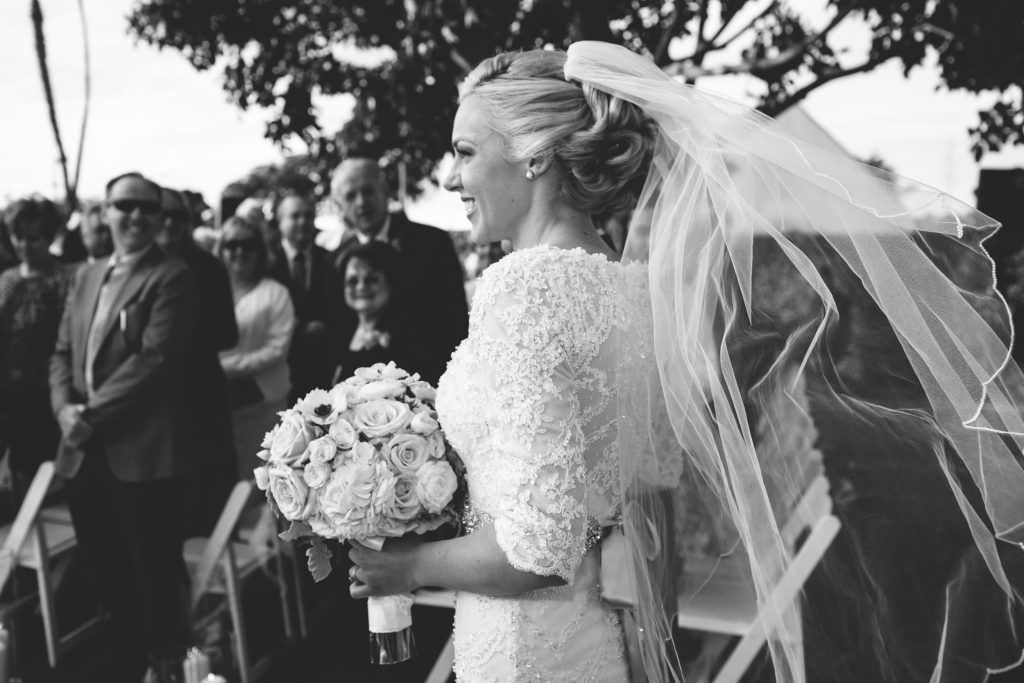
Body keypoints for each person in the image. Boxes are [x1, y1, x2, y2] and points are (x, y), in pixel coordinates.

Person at [347, 44, 1024, 683]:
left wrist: (406, 566)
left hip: (524, 647)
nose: (448, 175)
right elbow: (643, 488)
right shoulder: (631, 287)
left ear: (533, 158)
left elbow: (537, 547)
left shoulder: (520, 291)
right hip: (601, 637)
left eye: (465, 151)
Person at [50, 171, 197, 681]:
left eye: (146, 208)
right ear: (105, 211)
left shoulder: (172, 274)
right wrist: (64, 407)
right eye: (123, 205)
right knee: (103, 565)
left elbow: (152, 362)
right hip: (85, 448)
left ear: (158, 219)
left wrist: (87, 415)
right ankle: (123, 657)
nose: (135, 216)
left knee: (153, 570)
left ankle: (164, 664)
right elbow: (63, 351)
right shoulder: (85, 274)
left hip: (143, 454)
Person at [330, 158, 468, 385]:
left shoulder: (431, 243)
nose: (361, 202)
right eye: (350, 196)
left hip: (428, 383)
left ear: (384, 191)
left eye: (368, 191)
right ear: (339, 205)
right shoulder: (337, 259)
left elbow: (455, 322)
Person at [158, 186, 239, 535]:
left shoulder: (208, 267)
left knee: (210, 494)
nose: (168, 224)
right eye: (161, 215)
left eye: (177, 216)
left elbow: (228, 335)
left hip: (202, 395)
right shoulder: (138, 269)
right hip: (157, 404)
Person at [0, 198, 74, 495]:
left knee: (41, 472)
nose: (26, 245)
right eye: (19, 237)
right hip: (8, 392)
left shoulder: (64, 279)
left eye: (34, 238)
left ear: (49, 237)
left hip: (45, 392)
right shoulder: (6, 280)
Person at [218, 216, 295, 476]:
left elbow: (276, 350)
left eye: (247, 245)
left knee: (257, 479)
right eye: (231, 244)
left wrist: (222, 367)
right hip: (217, 405)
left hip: (261, 404)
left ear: (259, 249)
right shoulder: (210, 291)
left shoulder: (276, 293)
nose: (239, 251)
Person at [267, 193, 339, 401]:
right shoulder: (266, 262)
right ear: (280, 222)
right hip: (279, 373)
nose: (303, 222)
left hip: (322, 374)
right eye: (295, 216)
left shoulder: (331, 260)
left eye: (308, 216)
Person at [333, 241, 416, 381]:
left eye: (371, 279)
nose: (361, 287)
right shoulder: (338, 333)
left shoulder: (406, 338)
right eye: (352, 281)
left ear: (390, 283)